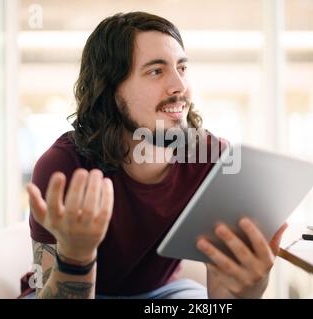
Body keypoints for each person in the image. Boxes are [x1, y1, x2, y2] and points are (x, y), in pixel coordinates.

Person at [24, 11, 287, 299]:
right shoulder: (64, 167)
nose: (179, 86)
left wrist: (249, 289)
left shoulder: (212, 160)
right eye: (155, 71)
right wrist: (76, 256)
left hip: (162, 295)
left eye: (182, 69)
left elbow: (222, 298)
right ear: (110, 89)